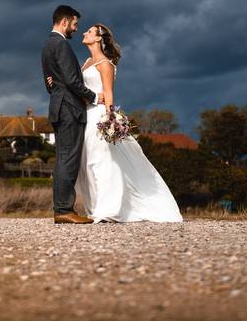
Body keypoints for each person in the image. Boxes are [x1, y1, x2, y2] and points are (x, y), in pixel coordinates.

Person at [47, 23, 183, 223]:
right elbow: (75, 87)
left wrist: (110, 119)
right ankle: (95, 208)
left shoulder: (105, 63)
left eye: (89, 32)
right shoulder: (85, 63)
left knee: (102, 161)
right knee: (88, 164)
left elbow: (108, 93)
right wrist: (55, 82)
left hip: (99, 116)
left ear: (98, 38)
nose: (84, 33)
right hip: (85, 116)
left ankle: (108, 209)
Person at [41, 5, 103, 224]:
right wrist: (95, 97)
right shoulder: (62, 45)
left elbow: (50, 84)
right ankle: (64, 210)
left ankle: (62, 208)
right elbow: (72, 81)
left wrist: (59, 87)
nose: (76, 29)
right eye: (75, 24)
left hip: (58, 107)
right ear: (65, 21)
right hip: (69, 109)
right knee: (68, 159)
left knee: (63, 158)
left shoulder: (48, 45)